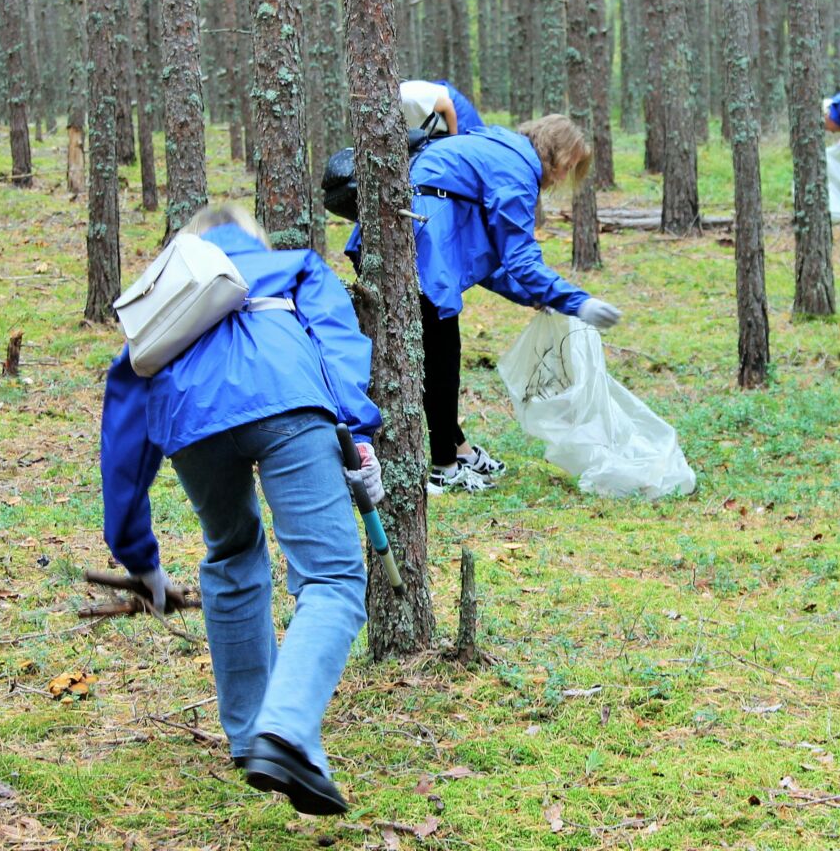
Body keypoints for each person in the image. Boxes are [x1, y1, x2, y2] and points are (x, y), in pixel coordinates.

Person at [100, 203, 382, 817]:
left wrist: (136, 553)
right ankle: (284, 733)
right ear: (248, 236)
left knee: (231, 554)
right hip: (288, 404)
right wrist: (356, 433)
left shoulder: (164, 299)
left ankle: (251, 733)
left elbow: (124, 422)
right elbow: (337, 341)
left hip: (193, 429)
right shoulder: (294, 265)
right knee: (331, 576)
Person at [353, 114, 623, 494]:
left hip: (409, 239)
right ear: (554, 154)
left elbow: (487, 256)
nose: (562, 179)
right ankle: (444, 466)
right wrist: (577, 303)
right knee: (441, 356)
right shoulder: (516, 169)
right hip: (419, 245)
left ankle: (456, 450)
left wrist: (533, 294)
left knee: (437, 351)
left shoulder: (501, 151)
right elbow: (520, 258)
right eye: (566, 169)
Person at [400, 78, 485, 137]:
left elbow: (447, 104)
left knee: (472, 144)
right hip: (434, 124)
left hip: (453, 109)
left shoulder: (409, 99)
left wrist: (453, 142)